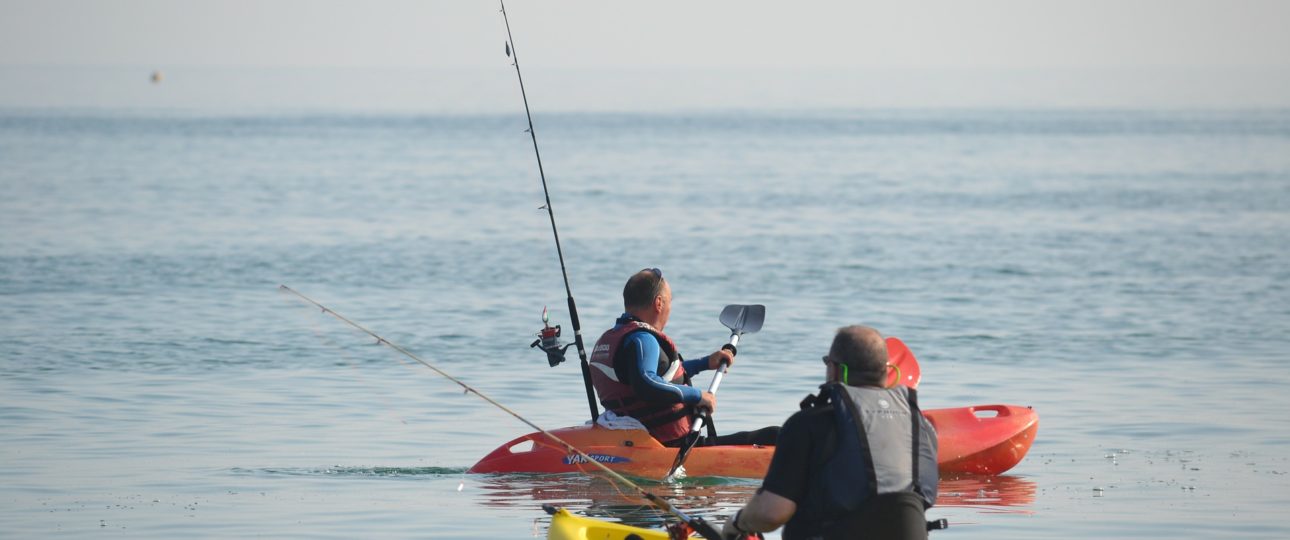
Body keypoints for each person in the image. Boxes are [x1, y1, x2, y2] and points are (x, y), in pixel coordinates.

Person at [721, 326, 939, 540]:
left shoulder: (808, 424)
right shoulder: (923, 428)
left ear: (835, 369)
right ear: (888, 371)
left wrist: (736, 523)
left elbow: (772, 513)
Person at [588, 268, 780, 447]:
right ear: (659, 303)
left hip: (637, 441)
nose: (669, 309)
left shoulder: (611, 339)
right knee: (776, 436)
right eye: (670, 302)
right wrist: (698, 396)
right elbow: (646, 383)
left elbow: (659, 377)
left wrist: (705, 363)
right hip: (672, 446)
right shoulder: (642, 339)